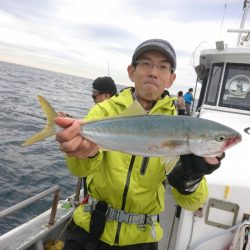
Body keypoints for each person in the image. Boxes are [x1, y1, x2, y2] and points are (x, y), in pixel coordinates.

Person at [55, 39, 224, 250]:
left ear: (171, 79)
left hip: (141, 240)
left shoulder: (181, 124)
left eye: (163, 66)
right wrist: (85, 154)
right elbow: (77, 169)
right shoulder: (105, 112)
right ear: (131, 71)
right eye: (146, 63)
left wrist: (190, 177)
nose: (154, 72)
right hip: (89, 229)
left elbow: (191, 203)